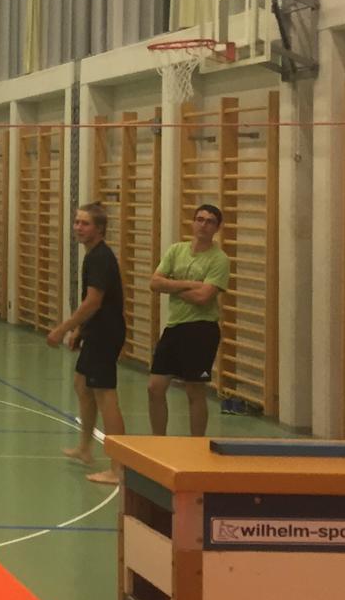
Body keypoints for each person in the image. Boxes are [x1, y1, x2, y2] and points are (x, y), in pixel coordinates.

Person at [46, 202, 127, 485]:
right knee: (82, 385)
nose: (79, 227)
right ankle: (84, 448)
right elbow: (92, 303)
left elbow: (93, 301)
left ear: (100, 229)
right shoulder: (92, 255)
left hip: (105, 334)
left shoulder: (100, 258)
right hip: (95, 331)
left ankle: (118, 467)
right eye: (77, 222)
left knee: (105, 395)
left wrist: (63, 329)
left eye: (85, 223)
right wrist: (81, 330)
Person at [147, 204, 232, 436]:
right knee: (154, 387)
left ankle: (196, 444)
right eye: (200, 219)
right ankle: (158, 443)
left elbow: (204, 297)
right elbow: (155, 282)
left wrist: (172, 287)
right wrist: (189, 284)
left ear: (217, 227)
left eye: (210, 221)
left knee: (194, 390)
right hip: (174, 327)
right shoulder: (176, 250)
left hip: (201, 330)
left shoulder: (219, 259)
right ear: (193, 222)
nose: (203, 225)